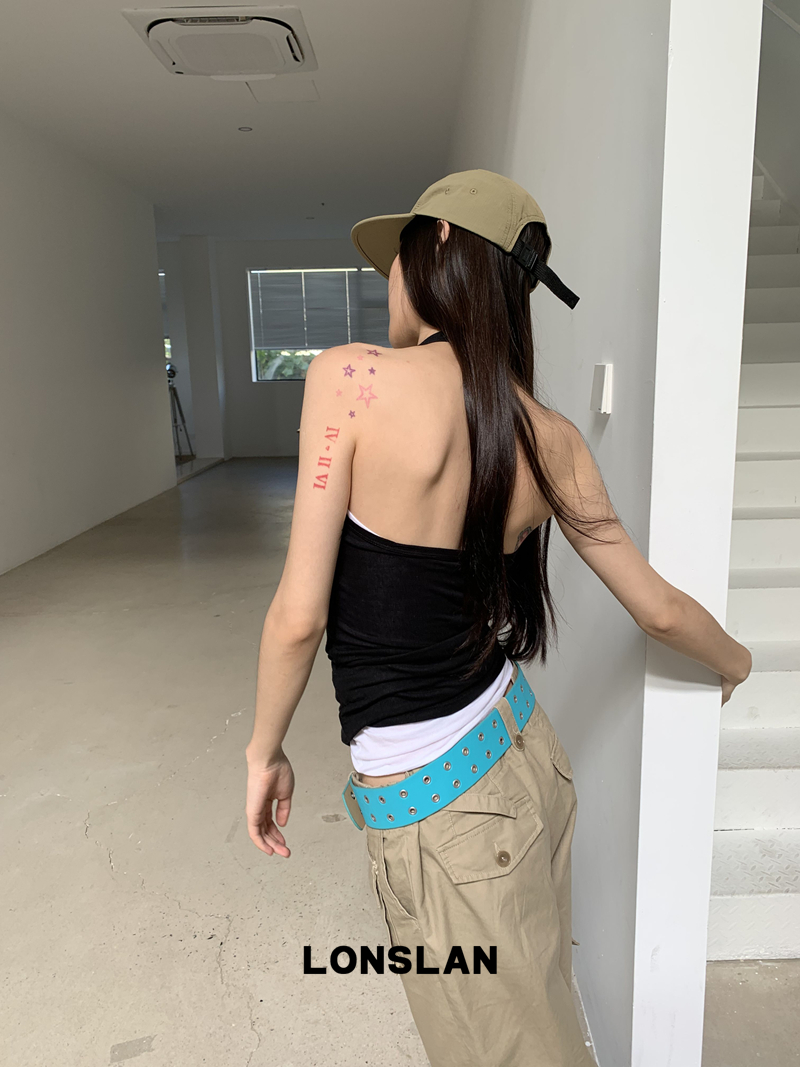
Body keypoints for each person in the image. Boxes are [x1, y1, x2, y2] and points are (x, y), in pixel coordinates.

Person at [244, 169, 752, 1067]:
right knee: (537, 1004)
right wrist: (737, 660)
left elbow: (298, 615)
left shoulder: (350, 378)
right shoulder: (553, 438)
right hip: (526, 756)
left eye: (396, 258)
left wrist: (263, 750)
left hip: (447, 816)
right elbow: (660, 607)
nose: (388, 282)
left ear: (439, 243)